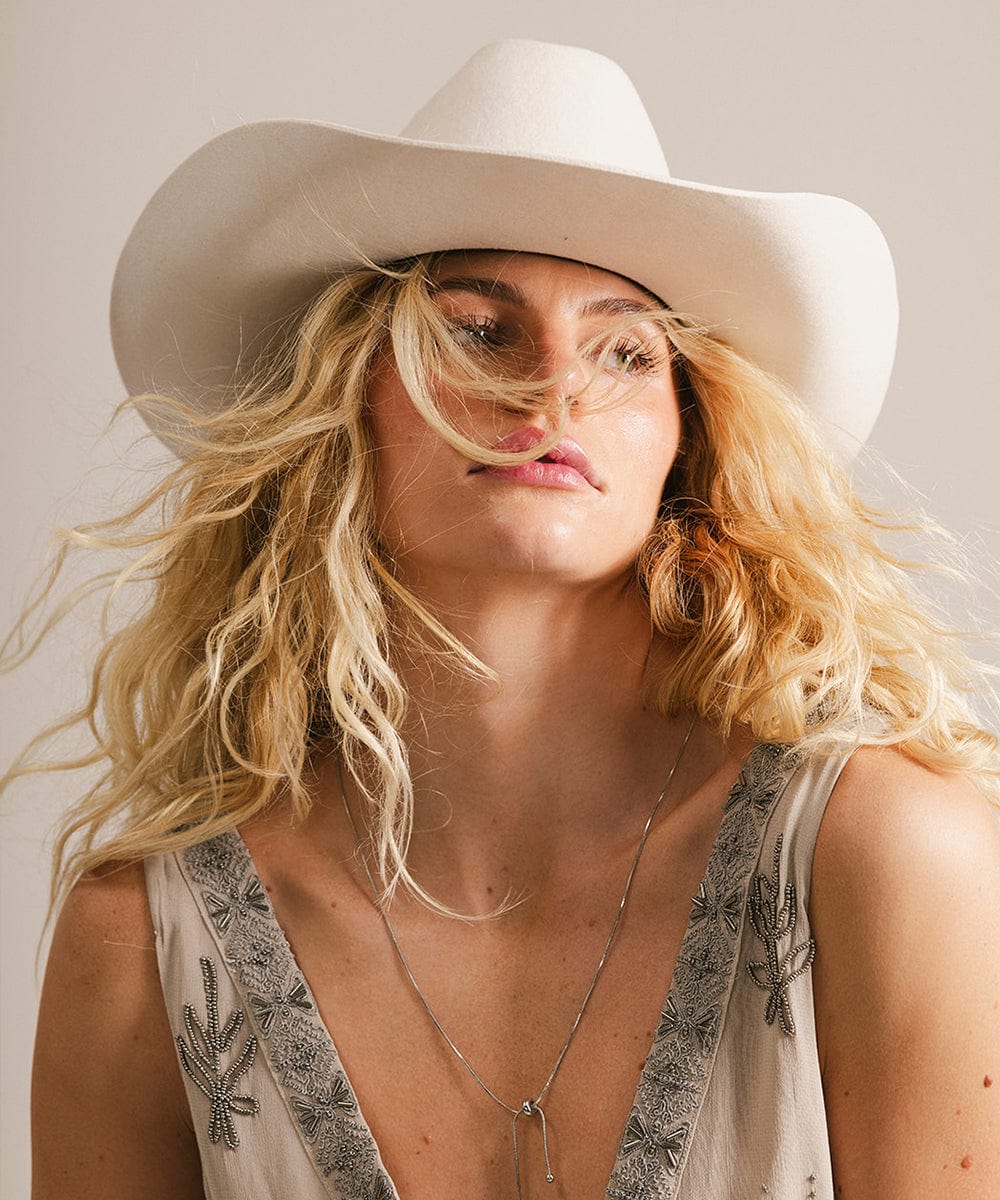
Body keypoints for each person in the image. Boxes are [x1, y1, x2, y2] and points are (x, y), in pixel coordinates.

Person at [23, 39, 1000, 1200]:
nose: (555, 389)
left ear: (686, 437)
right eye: (478, 330)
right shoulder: (143, 942)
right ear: (340, 397)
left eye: (624, 350)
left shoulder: (884, 859)